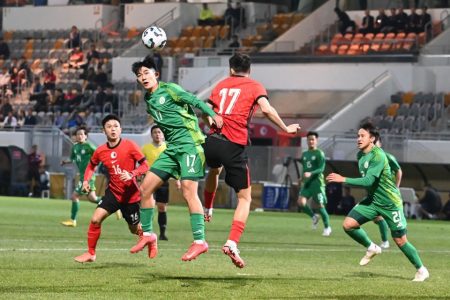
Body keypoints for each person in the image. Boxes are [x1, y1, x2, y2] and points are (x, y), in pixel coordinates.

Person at [202, 53, 300, 268]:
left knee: (214, 170)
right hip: (233, 144)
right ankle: (232, 242)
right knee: (245, 198)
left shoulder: (220, 85)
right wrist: (285, 128)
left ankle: (208, 208)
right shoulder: (254, 86)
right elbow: (266, 109)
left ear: (230, 69)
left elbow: (205, 111)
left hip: (211, 141)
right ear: (250, 70)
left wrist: (212, 120)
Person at [130, 55, 223, 262]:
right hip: (171, 150)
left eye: (146, 72)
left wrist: (212, 115)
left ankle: (200, 241)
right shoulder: (148, 100)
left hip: (190, 146)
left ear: (156, 74)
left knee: (189, 192)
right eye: (139, 75)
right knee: (145, 189)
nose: (143, 77)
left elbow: (195, 100)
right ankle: (148, 235)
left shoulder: (170, 88)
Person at [326, 122, 429, 282]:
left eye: (362, 136)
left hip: (390, 203)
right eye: (358, 136)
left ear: (372, 139)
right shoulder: (360, 156)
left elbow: (368, 181)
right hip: (373, 201)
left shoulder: (379, 155)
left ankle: (421, 270)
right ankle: (372, 247)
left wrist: (343, 179)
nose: (358, 139)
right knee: (348, 225)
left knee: (400, 240)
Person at [74, 114, 149, 263]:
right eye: (109, 127)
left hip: (131, 196)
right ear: (104, 131)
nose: (113, 129)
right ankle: (91, 253)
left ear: (120, 129)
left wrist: (132, 174)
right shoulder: (100, 151)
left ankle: (148, 238)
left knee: (133, 229)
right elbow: (91, 166)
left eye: (115, 126)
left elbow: (145, 165)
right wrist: (86, 181)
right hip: (113, 193)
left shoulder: (130, 145)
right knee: (95, 219)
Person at [60, 126, 113, 227]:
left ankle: (73, 220)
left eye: (82, 134)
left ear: (86, 136)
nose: (79, 136)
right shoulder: (75, 147)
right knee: (92, 198)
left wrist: (101, 164)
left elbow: (100, 154)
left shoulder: (89, 146)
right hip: (82, 176)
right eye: (78, 134)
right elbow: (73, 158)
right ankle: (112, 204)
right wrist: (65, 162)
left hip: (88, 176)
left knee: (74, 196)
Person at [141, 125, 181, 241]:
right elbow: (141, 165)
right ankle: (146, 232)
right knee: (149, 205)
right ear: (151, 134)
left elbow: (174, 165)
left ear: (163, 134)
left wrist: (177, 180)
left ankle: (162, 233)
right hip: (149, 181)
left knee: (162, 207)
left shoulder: (168, 148)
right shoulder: (145, 148)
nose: (157, 134)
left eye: (159, 132)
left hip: (164, 181)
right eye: (155, 132)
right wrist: (139, 178)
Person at [296, 131, 332, 236]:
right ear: (307, 141)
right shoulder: (305, 154)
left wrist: (310, 173)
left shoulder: (319, 153)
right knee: (301, 202)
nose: (311, 141)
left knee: (320, 206)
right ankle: (314, 217)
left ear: (316, 141)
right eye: (309, 139)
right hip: (307, 183)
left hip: (317, 183)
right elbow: (305, 169)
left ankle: (327, 227)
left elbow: (321, 168)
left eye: (313, 139)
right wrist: (301, 178)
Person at [371, 136, 403, 249]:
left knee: (378, 218)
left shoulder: (388, 157)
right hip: (377, 192)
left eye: (375, 142)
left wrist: (397, 187)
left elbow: (398, 170)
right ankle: (386, 237)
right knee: (377, 218)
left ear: (380, 143)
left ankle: (385, 242)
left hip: (388, 193)